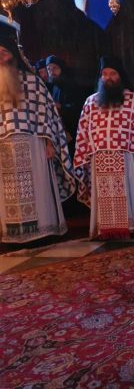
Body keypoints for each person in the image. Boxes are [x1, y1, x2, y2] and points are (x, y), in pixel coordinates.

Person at [73, 56, 134, 239]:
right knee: (103, 194)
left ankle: (131, 226)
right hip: (98, 158)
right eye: (104, 74)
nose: (108, 77)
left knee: (128, 192)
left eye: (112, 73)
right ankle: (104, 229)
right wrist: (84, 155)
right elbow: (83, 133)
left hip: (127, 156)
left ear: (120, 76)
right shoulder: (91, 102)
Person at [0, 22, 75, 243]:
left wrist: (50, 143)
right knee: (10, 194)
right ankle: (14, 235)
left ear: (12, 55)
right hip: (3, 148)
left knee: (37, 190)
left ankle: (43, 231)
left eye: (4, 53)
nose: (1, 58)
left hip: (34, 144)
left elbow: (47, 115)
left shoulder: (32, 82)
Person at [46, 55, 87, 157]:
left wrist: (61, 107)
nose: (51, 71)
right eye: (49, 68)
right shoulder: (54, 86)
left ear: (62, 69)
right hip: (60, 132)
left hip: (74, 131)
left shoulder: (73, 85)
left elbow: (79, 108)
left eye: (55, 68)